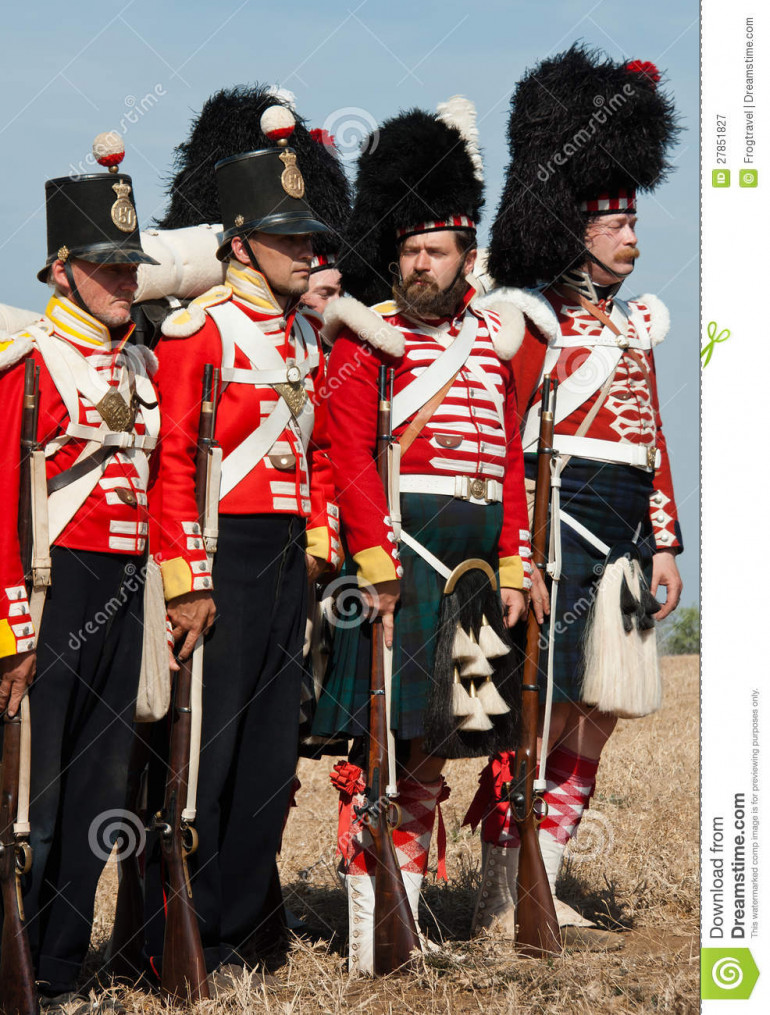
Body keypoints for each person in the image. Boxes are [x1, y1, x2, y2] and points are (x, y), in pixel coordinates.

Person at [311, 99, 535, 973]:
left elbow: (513, 463)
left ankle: (408, 918)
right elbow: (349, 454)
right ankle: (376, 940)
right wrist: (376, 557)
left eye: (433, 251)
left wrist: (515, 562)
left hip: (478, 574)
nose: (417, 264)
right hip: (402, 566)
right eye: (407, 250)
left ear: (466, 257)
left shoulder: (493, 339)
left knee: (440, 751)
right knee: (382, 751)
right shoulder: (368, 337)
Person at [467, 45, 684, 947]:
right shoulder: (533, 319)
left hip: (625, 521)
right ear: (579, 231)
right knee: (544, 700)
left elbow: (652, 442)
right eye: (617, 226)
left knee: (601, 710)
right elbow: (509, 445)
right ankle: (501, 885)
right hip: (558, 517)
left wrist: (666, 542)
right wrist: (521, 552)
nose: (633, 238)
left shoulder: (636, 324)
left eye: (633, 224)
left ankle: (545, 880)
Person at [145, 90, 348, 986]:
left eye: (310, 237)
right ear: (238, 243)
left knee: (268, 759)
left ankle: (233, 932)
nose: (308, 250)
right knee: (204, 759)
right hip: (219, 557)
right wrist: (187, 580)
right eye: (288, 237)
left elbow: (323, 455)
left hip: (287, 561)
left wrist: (321, 540)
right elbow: (175, 466)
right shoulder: (201, 330)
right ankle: (175, 940)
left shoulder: (304, 334)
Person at [0, 134, 160, 1013]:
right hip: (53, 591)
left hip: (126, 590)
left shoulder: (141, 365)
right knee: (37, 801)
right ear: (63, 269)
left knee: (100, 793)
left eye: (130, 264)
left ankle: (59, 966)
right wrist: (14, 633)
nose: (125, 279)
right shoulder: (26, 364)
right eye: (107, 265)